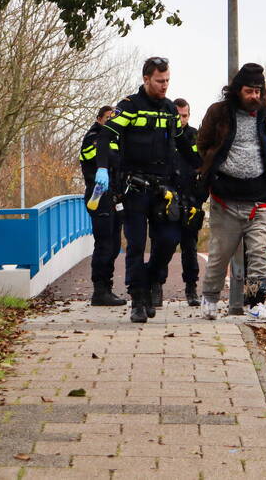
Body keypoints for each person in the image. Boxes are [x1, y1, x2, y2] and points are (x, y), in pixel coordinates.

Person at [94, 57, 200, 323]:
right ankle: (138, 299)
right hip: (134, 187)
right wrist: (102, 169)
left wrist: (205, 167)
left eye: (167, 80)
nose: (164, 86)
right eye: (159, 81)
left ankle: (152, 278)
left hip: (162, 188)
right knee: (137, 244)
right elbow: (106, 136)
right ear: (146, 79)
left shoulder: (168, 109)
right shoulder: (130, 107)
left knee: (168, 240)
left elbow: (183, 145)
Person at [196, 63, 266, 322]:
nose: (254, 96)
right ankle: (210, 297)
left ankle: (256, 303)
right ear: (237, 90)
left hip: (258, 199)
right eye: (249, 91)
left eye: (258, 91)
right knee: (220, 254)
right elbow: (202, 143)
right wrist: (213, 170)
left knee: (259, 254)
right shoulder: (219, 113)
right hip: (225, 198)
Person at [152, 98, 205, 306]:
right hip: (165, 199)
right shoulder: (162, 135)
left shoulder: (196, 138)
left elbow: (203, 167)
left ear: (189, 116)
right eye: (178, 115)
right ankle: (156, 286)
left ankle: (191, 289)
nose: (181, 119)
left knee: (189, 247)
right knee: (162, 245)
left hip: (190, 199)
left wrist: (200, 197)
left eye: (185, 116)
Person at [78, 105, 125, 306]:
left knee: (114, 245)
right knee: (104, 244)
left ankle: (107, 287)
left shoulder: (114, 138)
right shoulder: (93, 137)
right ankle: (100, 291)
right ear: (99, 119)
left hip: (114, 197)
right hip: (99, 196)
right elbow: (105, 157)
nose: (110, 121)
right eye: (107, 117)